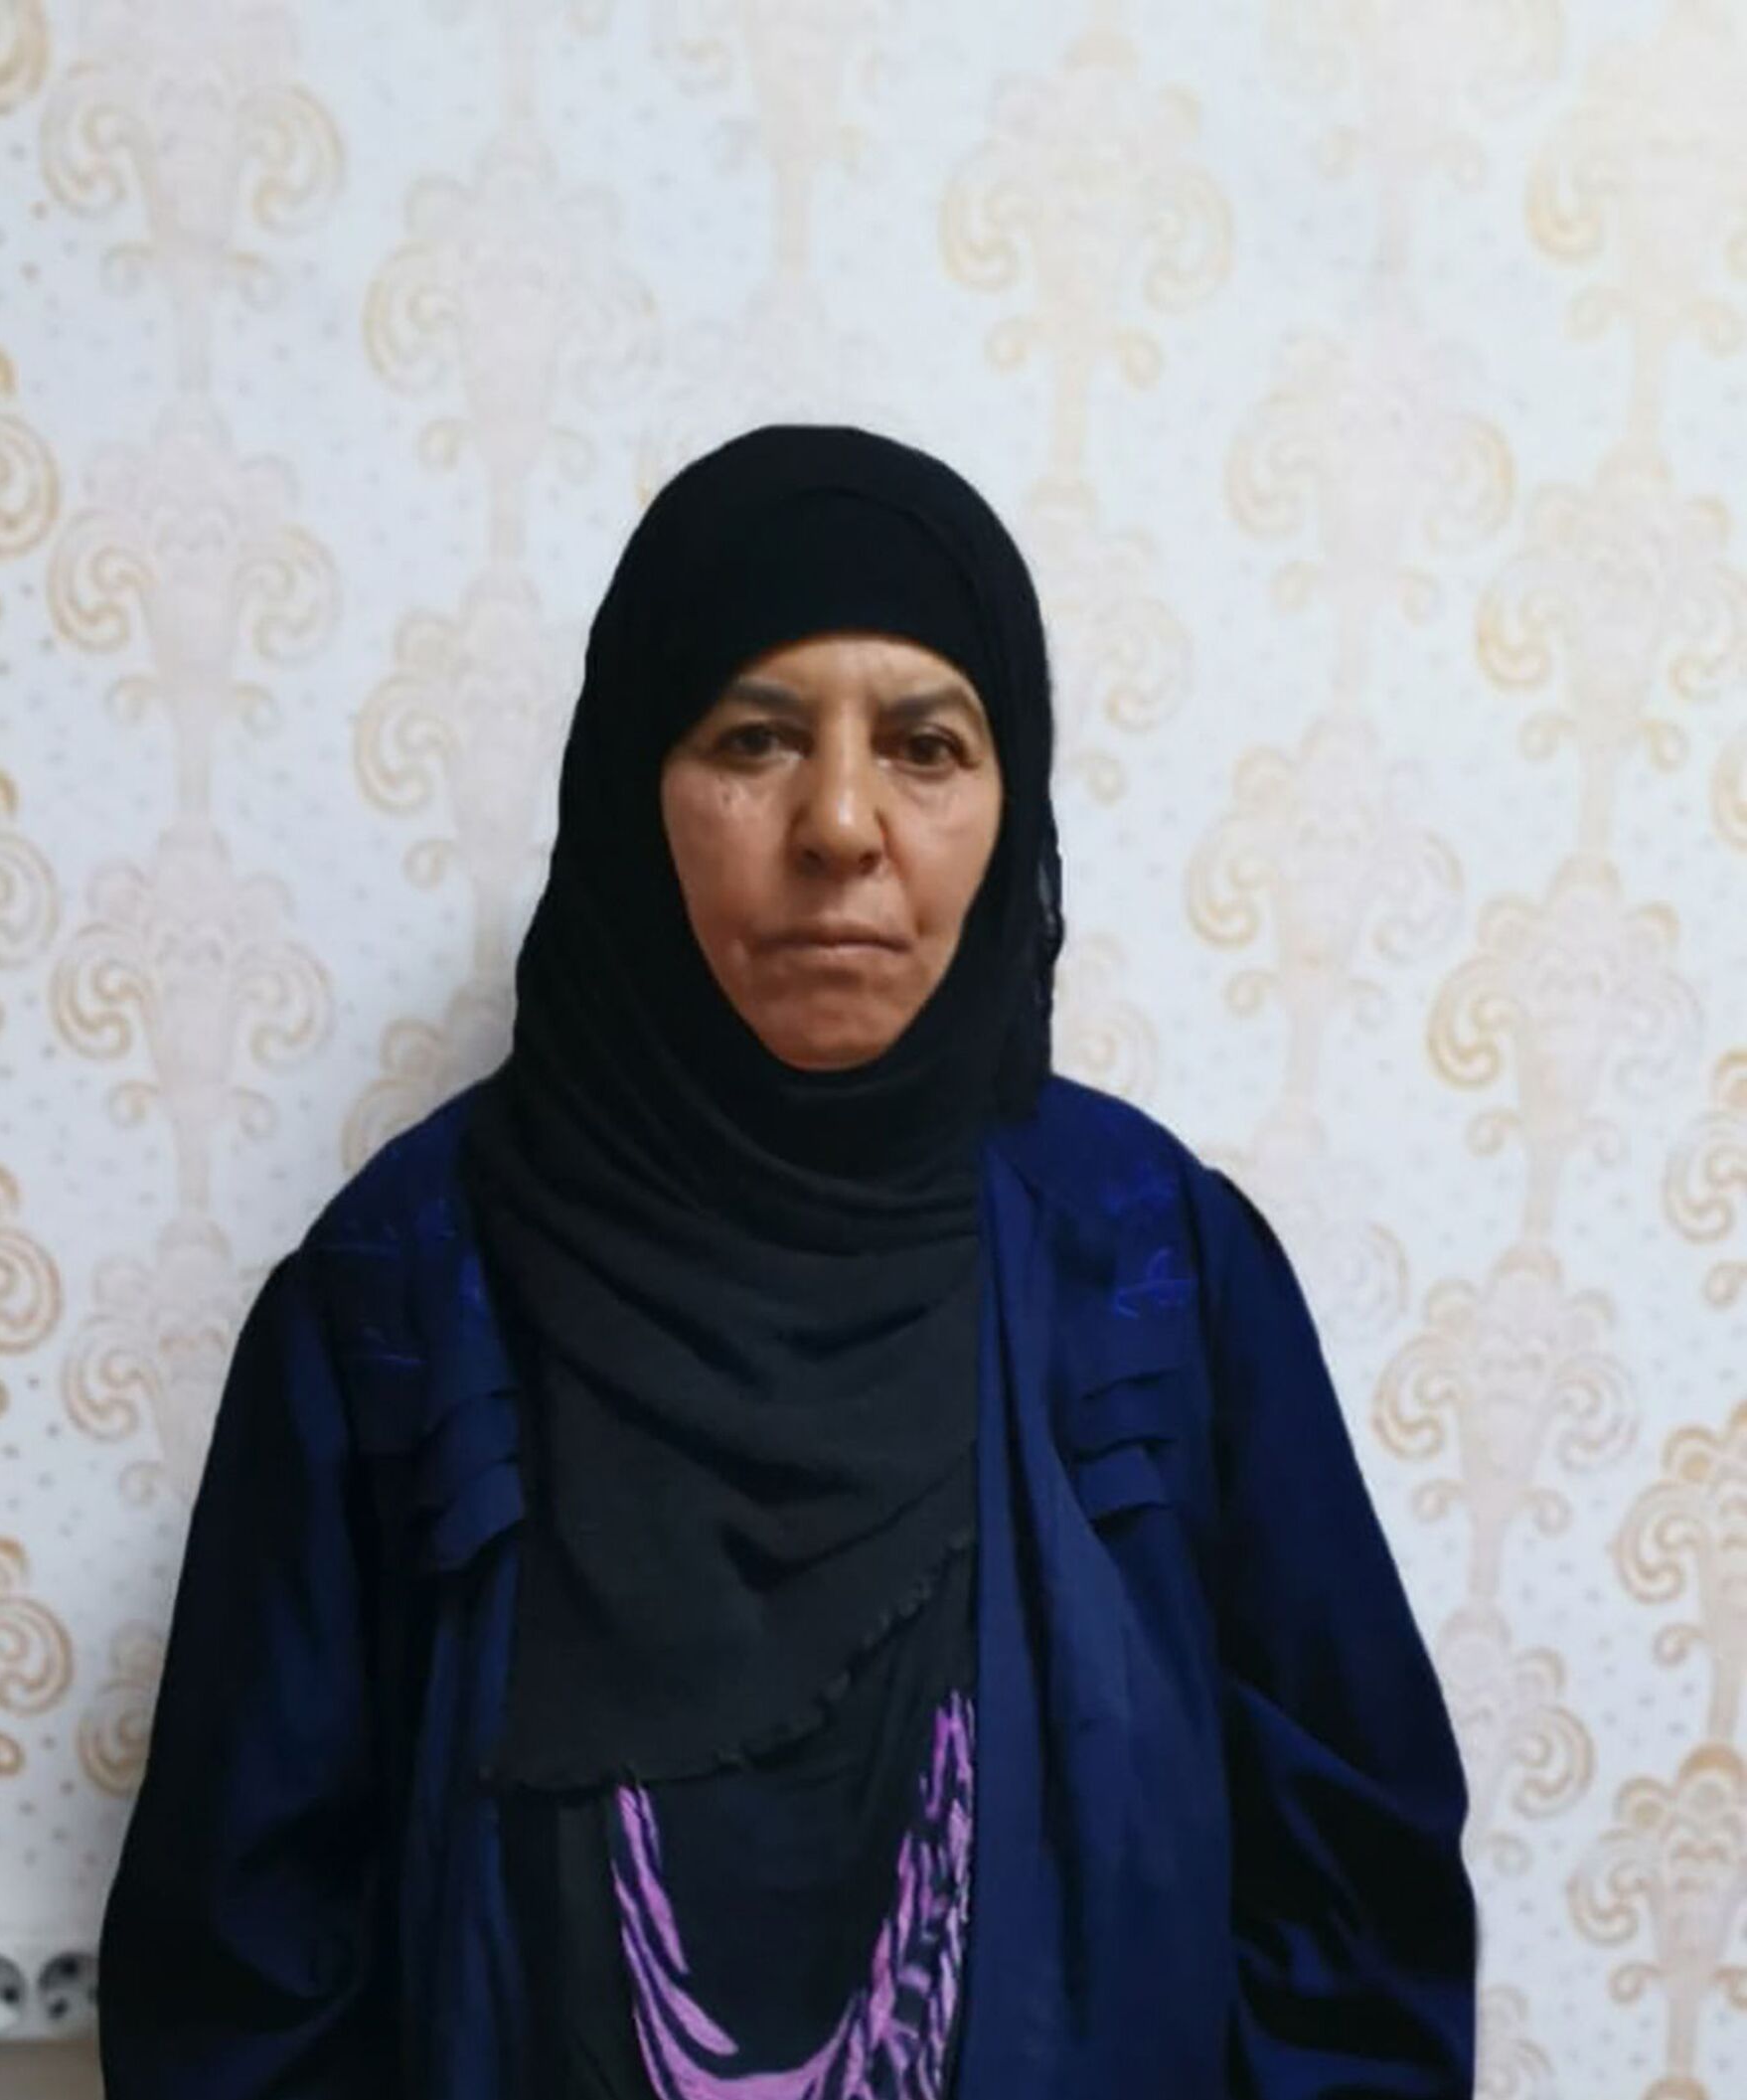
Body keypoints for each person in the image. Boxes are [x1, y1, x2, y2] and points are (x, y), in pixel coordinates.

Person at [94, 423, 1478, 2098]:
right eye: (753, 738)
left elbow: (1357, 1918)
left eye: (926, 745)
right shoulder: (402, 1292)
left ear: (1011, 799)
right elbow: (237, 1977)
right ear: (634, 785)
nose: (838, 823)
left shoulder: (1157, 1270)